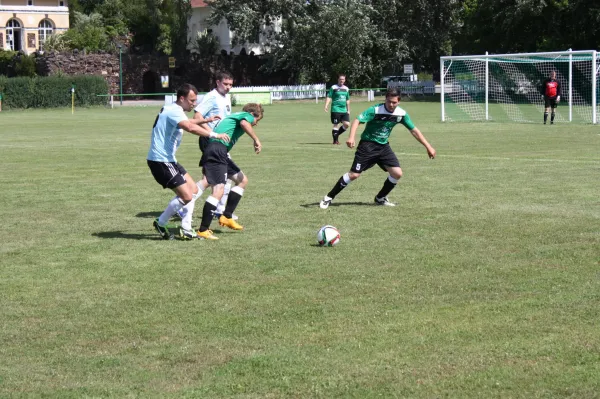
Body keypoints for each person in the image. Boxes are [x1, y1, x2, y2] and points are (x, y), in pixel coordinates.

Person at [319, 89, 435, 209]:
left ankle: (380, 198)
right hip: (367, 146)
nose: (391, 105)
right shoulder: (375, 110)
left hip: (383, 147)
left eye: (394, 102)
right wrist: (351, 137)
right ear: (385, 99)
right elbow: (357, 120)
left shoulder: (401, 114)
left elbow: (414, 131)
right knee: (354, 175)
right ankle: (328, 197)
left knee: (397, 173)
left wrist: (428, 147)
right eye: (389, 101)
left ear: (399, 101)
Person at [147, 83, 230, 240]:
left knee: (192, 190)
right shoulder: (173, 111)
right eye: (191, 101)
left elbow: (188, 122)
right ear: (182, 98)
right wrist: (214, 134)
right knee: (186, 196)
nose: (194, 104)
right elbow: (189, 128)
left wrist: (206, 119)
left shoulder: (175, 109)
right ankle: (162, 222)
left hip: (169, 160)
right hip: (161, 161)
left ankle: (186, 228)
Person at [196, 103, 264, 240]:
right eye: (257, 120)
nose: (255, 124)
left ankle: (227, 216)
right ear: (252, 115)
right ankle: (203, 229)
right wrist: (256, 139)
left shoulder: (236, 116)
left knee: (242, 180)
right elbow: (245, 124)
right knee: (218, 190)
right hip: (217, 150)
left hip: (220, 151)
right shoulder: (245, 116)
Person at [324, 74, 351, 145]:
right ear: (338, 80)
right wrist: (326, 105)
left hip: (344, 110)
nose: (342, 80)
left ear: (345, 80)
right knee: (336, 124)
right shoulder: (333, 87)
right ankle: (335, 141)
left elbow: (347, 100)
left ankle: (336, 135)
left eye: (343, 79)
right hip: (335, 109)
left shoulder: (346, 89)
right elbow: (329, 97)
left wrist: (348, 110)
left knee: (347, 124)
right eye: (340, 79)